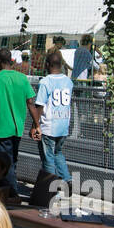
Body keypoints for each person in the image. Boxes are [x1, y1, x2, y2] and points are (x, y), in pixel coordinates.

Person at [0, 47, 32, 195]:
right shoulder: (22, 78)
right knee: (12, 161)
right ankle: (10, 190)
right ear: (11, 60)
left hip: (2, 128)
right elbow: (30, 100)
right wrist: (36, 124)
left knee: (3, 163)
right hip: (17, 128)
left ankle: (10, 193)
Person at [28, 50, 73, 200]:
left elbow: (39, 106)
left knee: (48, 159)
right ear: (61, 64)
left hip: (49, 126)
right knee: (58, 154)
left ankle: (51, 191)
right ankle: (67, 180)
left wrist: (35, 125)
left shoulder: (45, 82)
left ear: (47, 64)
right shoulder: (68, 81)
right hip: (63, 125)